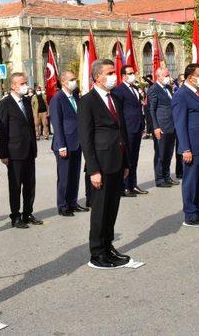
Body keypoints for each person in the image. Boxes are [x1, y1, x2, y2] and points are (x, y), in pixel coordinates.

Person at [78, 59, 131, 269]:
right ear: (98, 76)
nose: (113, 76)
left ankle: (108, 246)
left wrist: (126, 162)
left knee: (112, 208)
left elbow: (122, 132)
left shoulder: (115, 98)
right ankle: (97, 253)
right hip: (101, 164)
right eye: (109, 73)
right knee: (100, 210)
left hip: (117, 162)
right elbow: (86, 138)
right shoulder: (87, 101)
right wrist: (93, 170)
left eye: (114, 72)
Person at [172, 64, 199, 226]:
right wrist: (185, 148)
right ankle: (190, 215)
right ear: (191, 77)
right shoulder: (181, 95)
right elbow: (180, 124)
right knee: (191, 181)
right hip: (193, 146)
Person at [0, 73, 42, 229]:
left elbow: (30, 125)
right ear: (13, 85)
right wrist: (3, 154)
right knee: (15, 185)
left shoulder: (27, 101)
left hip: (29, 150)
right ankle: (15, 216)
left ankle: (27, 213)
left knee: (30, 184)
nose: (25, 85)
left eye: (25, 83)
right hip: (14, 152)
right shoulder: (5, 103)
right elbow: (2, 129)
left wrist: (34, 146)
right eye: (22, 83)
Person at [49, 71, 88, 216]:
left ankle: (73, 201)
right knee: (64, 176)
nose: (74, 82)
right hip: (64, 143)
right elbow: (57, 123)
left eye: (75, 79)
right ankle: (63, 205)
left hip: (77, 141)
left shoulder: (75, 96)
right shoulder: (57, 99)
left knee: (74, 174)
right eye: (71, 80)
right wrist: (61, 145)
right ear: (63, 82)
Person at [113, 65, 147, 197]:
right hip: (127, 128)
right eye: (130, 73)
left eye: (133, 72)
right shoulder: (119, 90)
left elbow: (138, 107)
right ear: (123, 75)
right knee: (127, 158)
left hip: (136, 127)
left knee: (134, 157)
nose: (133, 75)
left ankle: (133, 184)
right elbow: (119, 112)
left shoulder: (135, 89)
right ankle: (125, 186)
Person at [147, 67, 178, 188]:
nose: (168, 77)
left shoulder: (168, 88)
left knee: (169, 153)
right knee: (160, 153)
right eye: (165, 75)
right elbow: (152, 110)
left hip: (171, 125)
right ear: (158, 76)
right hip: (161, 126)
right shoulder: (153, 89)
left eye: (168, 75)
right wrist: (156, 127)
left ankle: (167, 176)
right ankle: (159, 179)